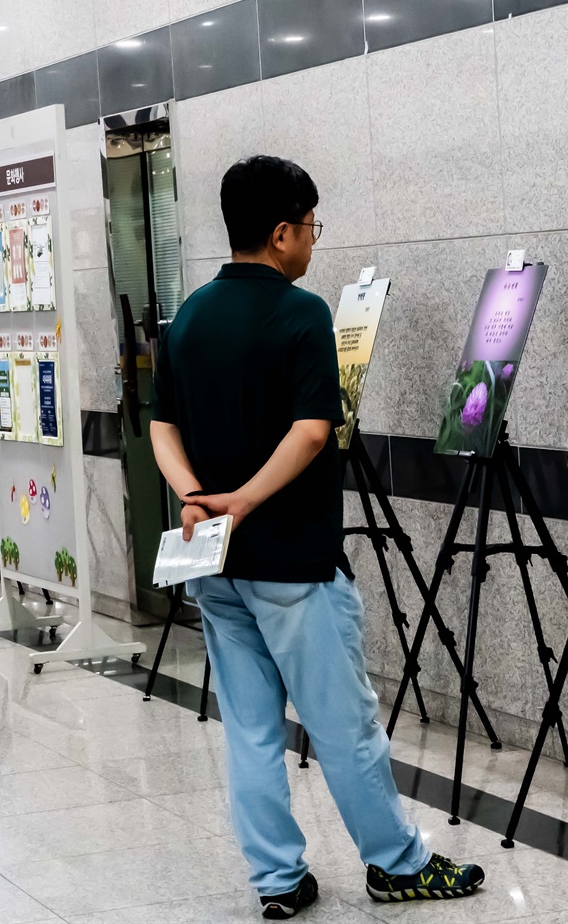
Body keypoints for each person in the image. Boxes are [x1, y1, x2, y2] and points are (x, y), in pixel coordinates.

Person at [151, 156, 484, 919]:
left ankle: (277, 880)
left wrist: (197, 499)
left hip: (217, 567)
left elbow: (160, 426)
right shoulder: (301, 314)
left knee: (250, 728)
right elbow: (310, 434)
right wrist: (244, 500)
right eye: (308, 227)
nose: (312, 240)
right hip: (295, 563)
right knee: (344, 726)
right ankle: (395, 865)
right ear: (278, 234)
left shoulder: (190, 315)